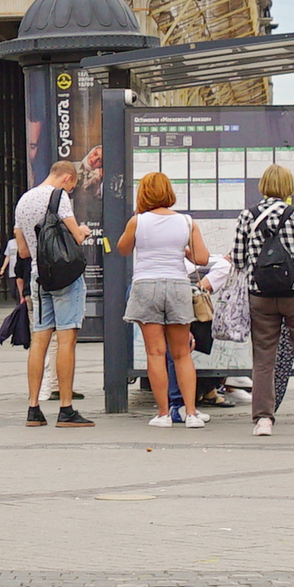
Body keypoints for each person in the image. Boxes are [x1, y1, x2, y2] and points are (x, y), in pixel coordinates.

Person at [230, 164, 294, 437]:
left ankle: (263, 419)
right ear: (288, 187)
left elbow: (238, 260)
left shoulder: (247, 216)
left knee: (263, 358)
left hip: (260, 295)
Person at [115, 172, 212, 428]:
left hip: (147, 285)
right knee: (182, 354)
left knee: (155, 353)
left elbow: (123, 248)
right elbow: (202, 259)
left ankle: (163, 414)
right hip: (178, 285)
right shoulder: (187, 222)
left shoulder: (138, 221)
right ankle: (191, 413)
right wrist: (185, 251)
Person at [13, 158, 93, 427]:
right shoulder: (59, 197)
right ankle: (66, 409)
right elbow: (77, 237)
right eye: (73, 186)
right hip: (64, 277)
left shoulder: (23, 200)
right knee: (66, 339)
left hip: (38, 275)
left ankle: (33, 408)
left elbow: (23, 251)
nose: (71, 190)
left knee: (40, 340)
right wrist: (82, 230)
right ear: (67, 178)